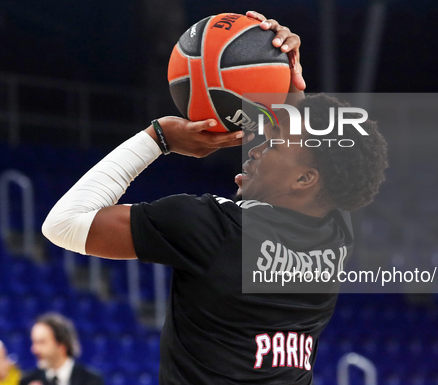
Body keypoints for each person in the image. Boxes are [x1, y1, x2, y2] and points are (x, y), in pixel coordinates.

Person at [42, 11, 388, 385]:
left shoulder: (213, 230)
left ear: (304, 179)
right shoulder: (336, 231)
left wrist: (159, 138)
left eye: (271, 144)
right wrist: (281, 73)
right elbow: (319, 153)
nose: (254, 147)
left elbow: (63, 224)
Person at [19, 313, 103, 385]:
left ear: (62, 346)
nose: (34, 350)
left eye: (42, 342)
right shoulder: (28, 380)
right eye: (34, 342)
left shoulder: (91, 380)